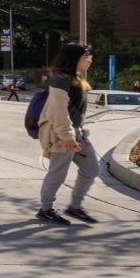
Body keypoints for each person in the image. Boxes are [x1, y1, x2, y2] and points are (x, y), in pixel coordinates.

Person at [35, 42, 98, 225]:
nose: (89, 61)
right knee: (57, 174)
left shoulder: (75, 77)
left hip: (76, 133)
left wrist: (78, 132)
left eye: (89, 57)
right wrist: (68, 136)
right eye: (86, 58)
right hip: (61, 134)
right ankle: (45, 210)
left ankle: (74, 207)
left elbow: (73, 110)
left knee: (92, 169)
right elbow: (58, 112)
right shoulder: (60, 81)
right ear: (73, 59)